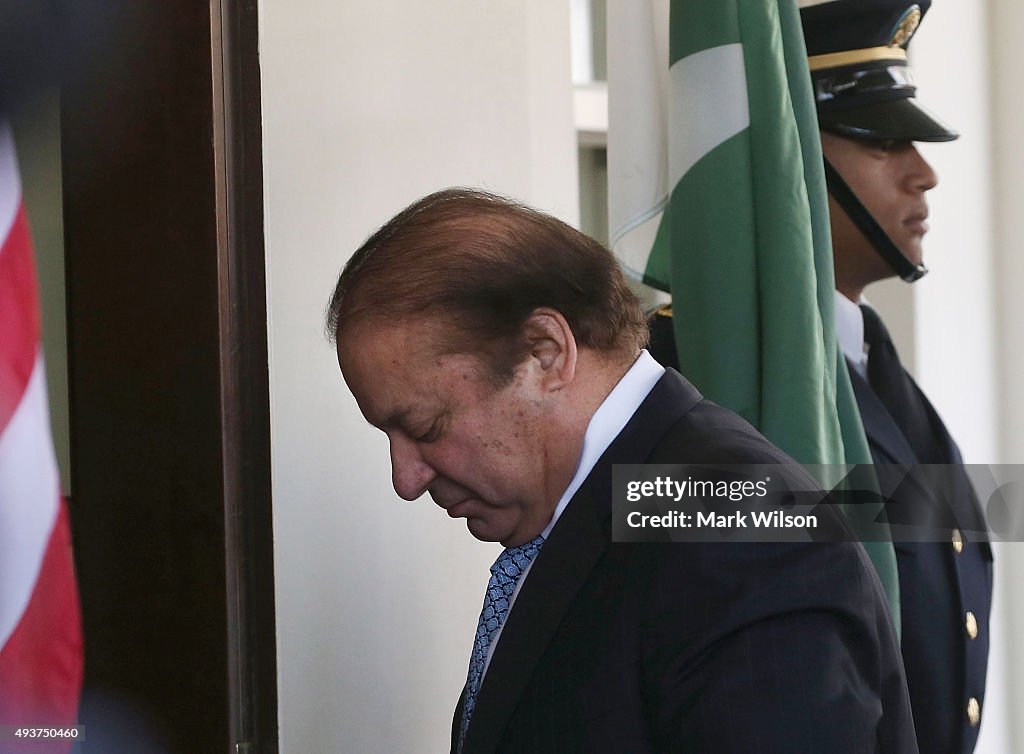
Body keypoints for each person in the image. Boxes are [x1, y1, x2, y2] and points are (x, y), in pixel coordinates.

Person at [327, 188, 917, 753]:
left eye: (426, 427)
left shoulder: (741, 536)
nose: (406, 480)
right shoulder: (615, 508)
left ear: (544, 353)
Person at [649, 2, 992, 751]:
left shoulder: (872, 364)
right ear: (792, 160)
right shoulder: (699, 363)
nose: (924, 174)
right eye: (885, 142)